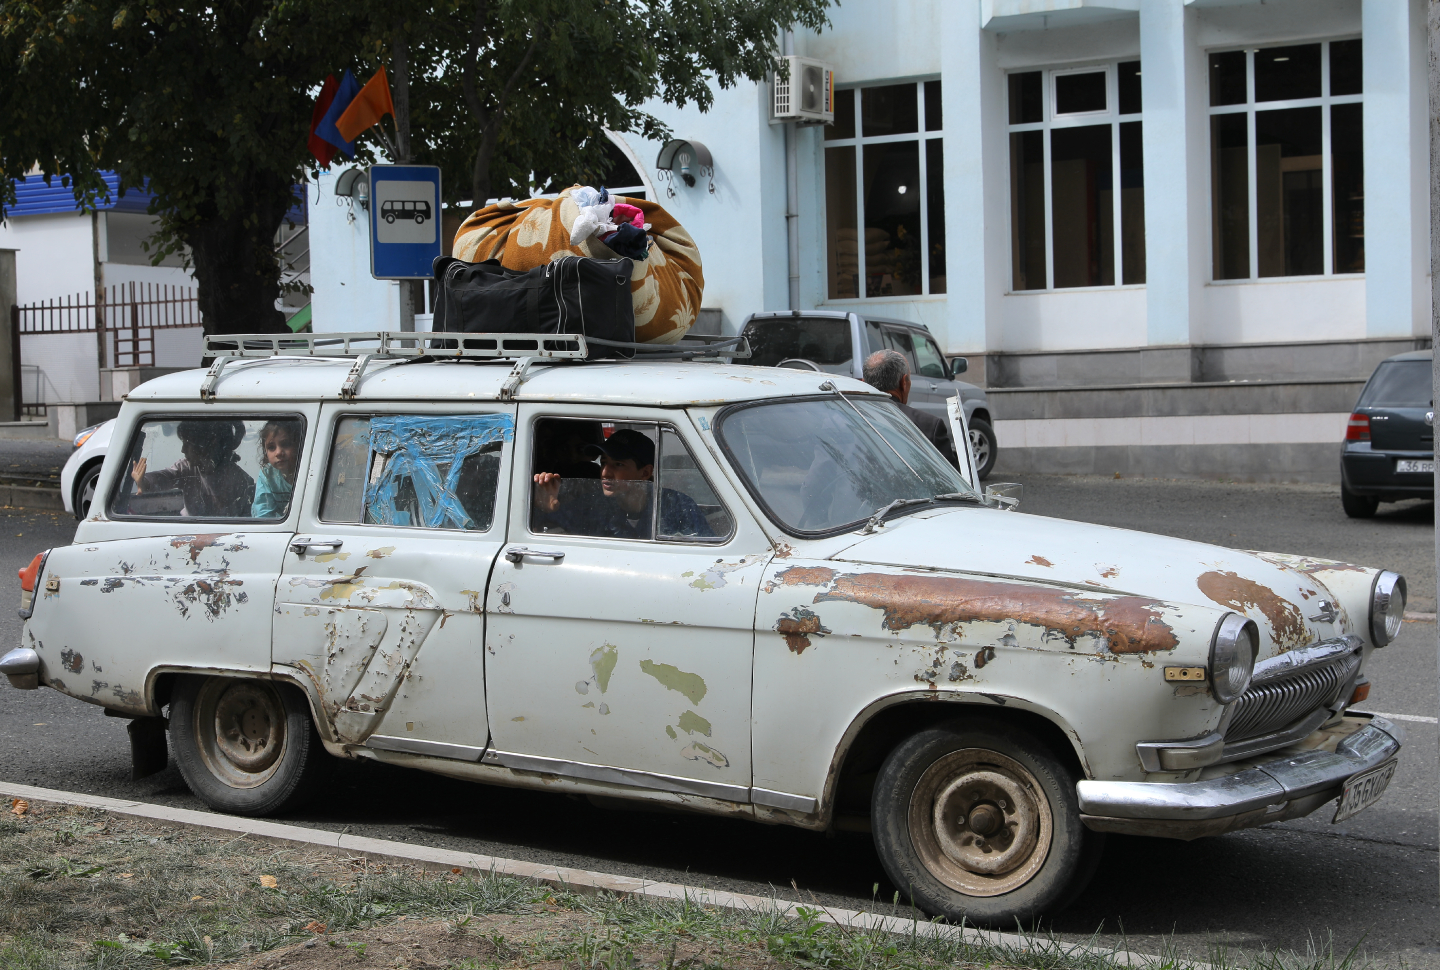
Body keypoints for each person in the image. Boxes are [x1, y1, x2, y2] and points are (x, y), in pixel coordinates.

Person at [532, 428, 712, 539]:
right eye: (603, 463)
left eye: (618, 464)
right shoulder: (592, 505)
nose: (605, 473)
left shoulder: (677, 506)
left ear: (645, 472)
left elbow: (705, 552)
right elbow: (543, 537)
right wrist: (548, 508)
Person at [130, 420, 255, 517]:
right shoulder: (186, 468)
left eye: (187, 443)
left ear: (208, 444)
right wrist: (144, 482)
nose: (183, 450)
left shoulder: (240, 480)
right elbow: (165, 476)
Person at [862, 349, 959, 467]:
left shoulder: (848, 419)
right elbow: (949, 476)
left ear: (863, 382)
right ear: (904, 382)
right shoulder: (929, 426)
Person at [251, 420, 302, 518]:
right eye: (271, 447)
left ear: (298, 445)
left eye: (285, 444)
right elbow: (263, 513)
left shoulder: (307, 471)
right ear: (265, 452)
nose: (278, 452)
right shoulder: (267, 474)